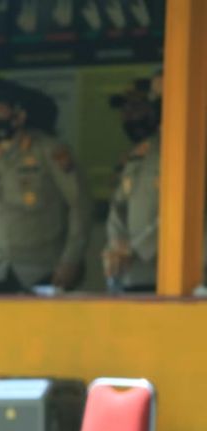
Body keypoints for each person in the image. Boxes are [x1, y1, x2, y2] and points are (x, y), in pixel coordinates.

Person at [0, 78, 91, 293]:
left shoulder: (49, 150)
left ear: (19, 115)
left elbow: (80, 205)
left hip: (47, 268)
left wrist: (71, 260)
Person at [103, 79, 161, 293]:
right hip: (129, 273)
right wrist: (117, 245)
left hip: (165, 270)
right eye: (124, 109)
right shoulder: (134, 155)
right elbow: (118, 205)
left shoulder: (181, 148)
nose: (128, 116)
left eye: (136, 107)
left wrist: (135, 248)